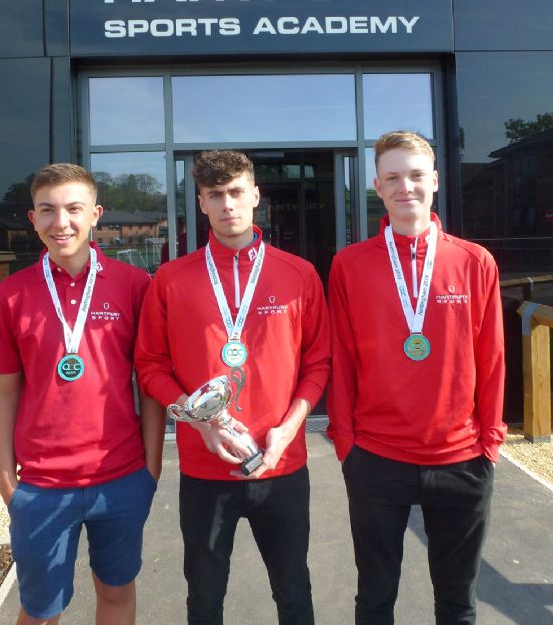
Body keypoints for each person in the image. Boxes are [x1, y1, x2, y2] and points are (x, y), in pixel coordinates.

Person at [135, 149, 330, 625]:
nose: (228, 205)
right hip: (205, 471)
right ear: (201, 203)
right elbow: (151, 366)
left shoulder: (299, 274)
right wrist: (197, 421)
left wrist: (289, 428)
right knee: (204, 599)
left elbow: (318, 363)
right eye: (215, 195)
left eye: (237, 192)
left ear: (256, 196)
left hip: (281, 463)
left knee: (294, 594)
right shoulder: (171, 280)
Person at [327, 131, 506, 625]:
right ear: (377, 187)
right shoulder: (350, 265)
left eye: (415, 175)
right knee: (376, 598)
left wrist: (490, 440)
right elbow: (342, 360)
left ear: (436, 181)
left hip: (462, 459)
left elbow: (492, 358)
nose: (405, 186)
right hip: (377, 459)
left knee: (457, 601)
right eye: (392, 177)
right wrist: (346, 443)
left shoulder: (474, 262)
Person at [0, 163, 166, 625]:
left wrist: (151, 467)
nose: (60, 221)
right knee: (41, 611)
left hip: (121, 479)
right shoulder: (10, 295)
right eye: (47, 210)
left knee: (115, 593)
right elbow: (3, 393)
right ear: (32, 219)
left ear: (95, 215)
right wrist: (8, 482)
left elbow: (148, 384)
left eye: (73, 209)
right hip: (42, 487)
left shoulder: (133, 285)